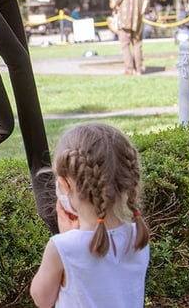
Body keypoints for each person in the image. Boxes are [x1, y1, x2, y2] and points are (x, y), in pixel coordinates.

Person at [30, 123, 150, 308]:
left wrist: (65, 237)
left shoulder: (62, 247)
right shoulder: (138, 237)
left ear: (65, 184)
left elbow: (42, 299)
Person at [109, 0, 150, 75]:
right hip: (137, 22)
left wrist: (116, 6)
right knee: (137, 45)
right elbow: (147, 5)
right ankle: (139, 69)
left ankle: (129, 69)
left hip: (123, 21)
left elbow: (112, 5)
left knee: (125, 45)